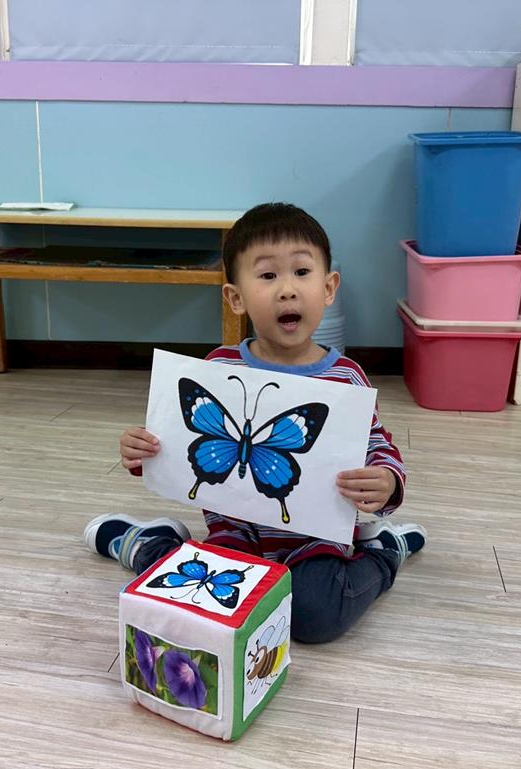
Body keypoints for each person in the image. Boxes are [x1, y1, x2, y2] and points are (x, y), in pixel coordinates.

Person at [85, 203, 425, 644]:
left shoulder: (347, 379)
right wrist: (142, 452)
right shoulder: (217, 369)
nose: (287, 290)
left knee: (316, 617)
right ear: (236, 298)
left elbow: (376, 443)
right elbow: (177, 443)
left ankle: (382, 553)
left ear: (328, 288)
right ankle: (149, 542)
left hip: (314, 538)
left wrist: (387, 481)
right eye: (267, 275)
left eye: (302, 272)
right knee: (202, 606)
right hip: (234, 533)